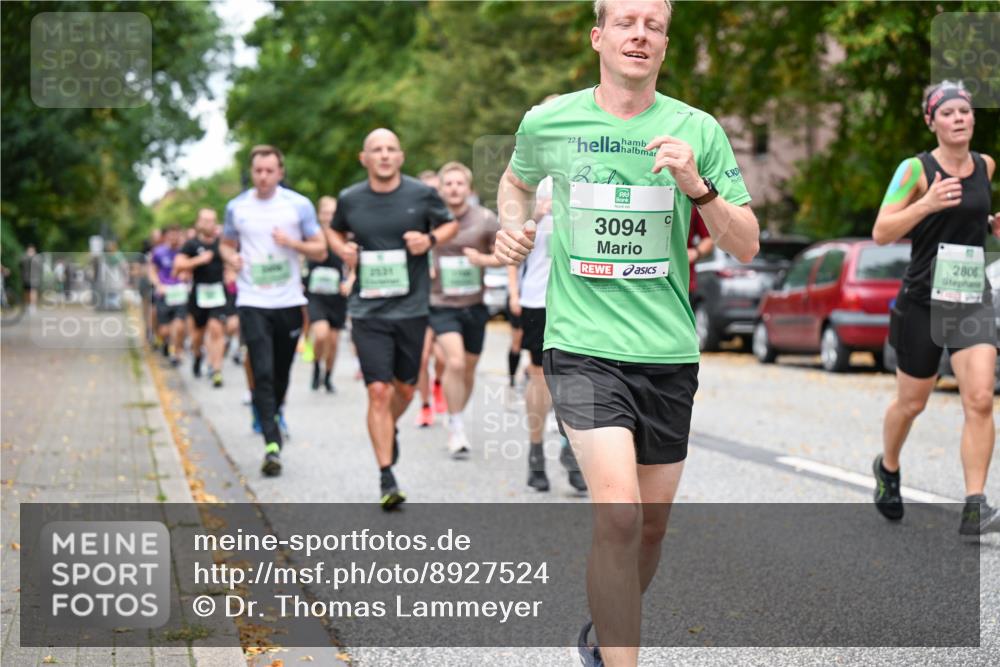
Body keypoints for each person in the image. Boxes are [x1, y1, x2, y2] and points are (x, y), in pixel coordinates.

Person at [493, 1, 758, 664]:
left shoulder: (697, 130)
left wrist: (698, 188)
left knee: (651, 526)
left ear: (665, 43)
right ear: (598, 37)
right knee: (618, 513)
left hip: (666, 350)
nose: (640, 34)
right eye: (626, 22)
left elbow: (748, 244)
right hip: (581, 345)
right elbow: (514, 181)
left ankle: (602, 632)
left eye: (655, 25)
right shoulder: (550, 120)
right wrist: (512, 224)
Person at [871, 80, 1000, 536]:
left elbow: (968, 217)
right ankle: (887, 468)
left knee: (981, 398)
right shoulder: (915, 170)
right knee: (912, 402)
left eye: (964, 110)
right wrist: (925, 203)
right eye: (947, 112)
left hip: (970, 298)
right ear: (931, 121)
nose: (959, 117)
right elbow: (882, 232)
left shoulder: (985, 164)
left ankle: (975, 503)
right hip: (923, 301)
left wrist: (990, 225)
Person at [329, 128, 458, 510]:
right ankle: (387, 474)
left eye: (390, 149)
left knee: (403, 390)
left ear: (400, 156)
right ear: (363, 158)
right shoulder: (350, 199)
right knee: (378, 391)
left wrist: (429, 241)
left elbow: (448, 224)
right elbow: (334, 232)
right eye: (376, 150)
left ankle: (389, 429)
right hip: (366, 310)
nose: (384, 155)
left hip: (411, 308)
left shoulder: (421, 194)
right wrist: (344, 250)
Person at [220, 145, 327, 477]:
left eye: (270, 171)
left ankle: (272, 411)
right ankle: (271, 443)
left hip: (288, 301)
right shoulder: (237, 208)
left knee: (281, 370)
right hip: (252, 300)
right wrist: (231, 258)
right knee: (262, 369)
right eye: (258, 171)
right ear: (251, 172)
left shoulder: (298, 205)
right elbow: (225, 243)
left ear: (280, 172)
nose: (263, 177)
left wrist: (292, 244)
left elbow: (320, 249)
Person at [508, 173, 588, 494]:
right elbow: (511, 242)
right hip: (539, 298)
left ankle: (572, 449)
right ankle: (536, 450)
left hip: (584, 302)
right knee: (540, 378)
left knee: (580, 379)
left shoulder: (597, 176)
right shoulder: (533, 182)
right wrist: (536, 216)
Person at [426, 161, 502, 457]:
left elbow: (504, 255)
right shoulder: (429, 218)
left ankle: (455, 413)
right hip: (440, 303)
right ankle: (456, 425)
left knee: (469, 368)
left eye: (460, 184)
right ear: (441, 189)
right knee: (454, 362)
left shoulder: (484, 219)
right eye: (449, 184)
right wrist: (424, 268)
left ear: (468, 189)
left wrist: (482, 260)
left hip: (474, 304)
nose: (454, 188)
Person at [174, 208, 228, 387]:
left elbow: (233, 258)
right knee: (198, 335)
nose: (208, 224)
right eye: (204, 220)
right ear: (198, 222)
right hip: (198, 295)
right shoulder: (191, 244)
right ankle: (198, 355)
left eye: (211, 220)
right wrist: (198, 260)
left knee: (216, 329)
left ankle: (216, 370)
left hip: (218, 293)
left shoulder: (221, 243)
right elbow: (178, 266)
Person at [305, 196, 349, 393]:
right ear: (319, 214)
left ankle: (328, 376)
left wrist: (348, 282)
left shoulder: (344, 236)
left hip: (337, 297)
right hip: (316, 295)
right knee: (321, 335)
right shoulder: (311, 236)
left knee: (333, 341)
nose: (329, 216)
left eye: (333, 212)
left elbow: (352, 263)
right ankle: (316, 367)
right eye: (325, 212)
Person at [149, 226, 189, 366]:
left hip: (180, 293)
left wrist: (186, 276)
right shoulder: (158, 252)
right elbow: (152, 271)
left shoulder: (184, 252)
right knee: (165, 330)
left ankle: (176, 353)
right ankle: (165, 342)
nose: (174, 238)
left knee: (178, 326)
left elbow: (190, 269)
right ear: (166, 236)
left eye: (177, 235)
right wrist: (158, 285)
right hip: (164, 294)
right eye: (171, 235)